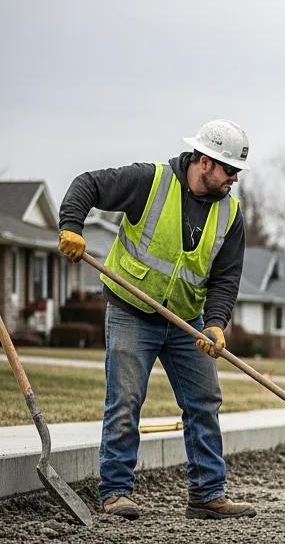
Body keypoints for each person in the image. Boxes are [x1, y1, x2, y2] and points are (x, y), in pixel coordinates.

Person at [56, 119, 256, 520]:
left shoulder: (230, 214)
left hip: (187, 320)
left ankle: (207, 494)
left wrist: (215, 324)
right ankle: (115, 492)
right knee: (125, 400)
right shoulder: (150, 182)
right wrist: (71, 226)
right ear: (204, 161)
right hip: (132, 311)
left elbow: (226, 277)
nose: (234, 179)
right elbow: (87, 184)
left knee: (204, 401)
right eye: (229, 170)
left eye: (237, 172)